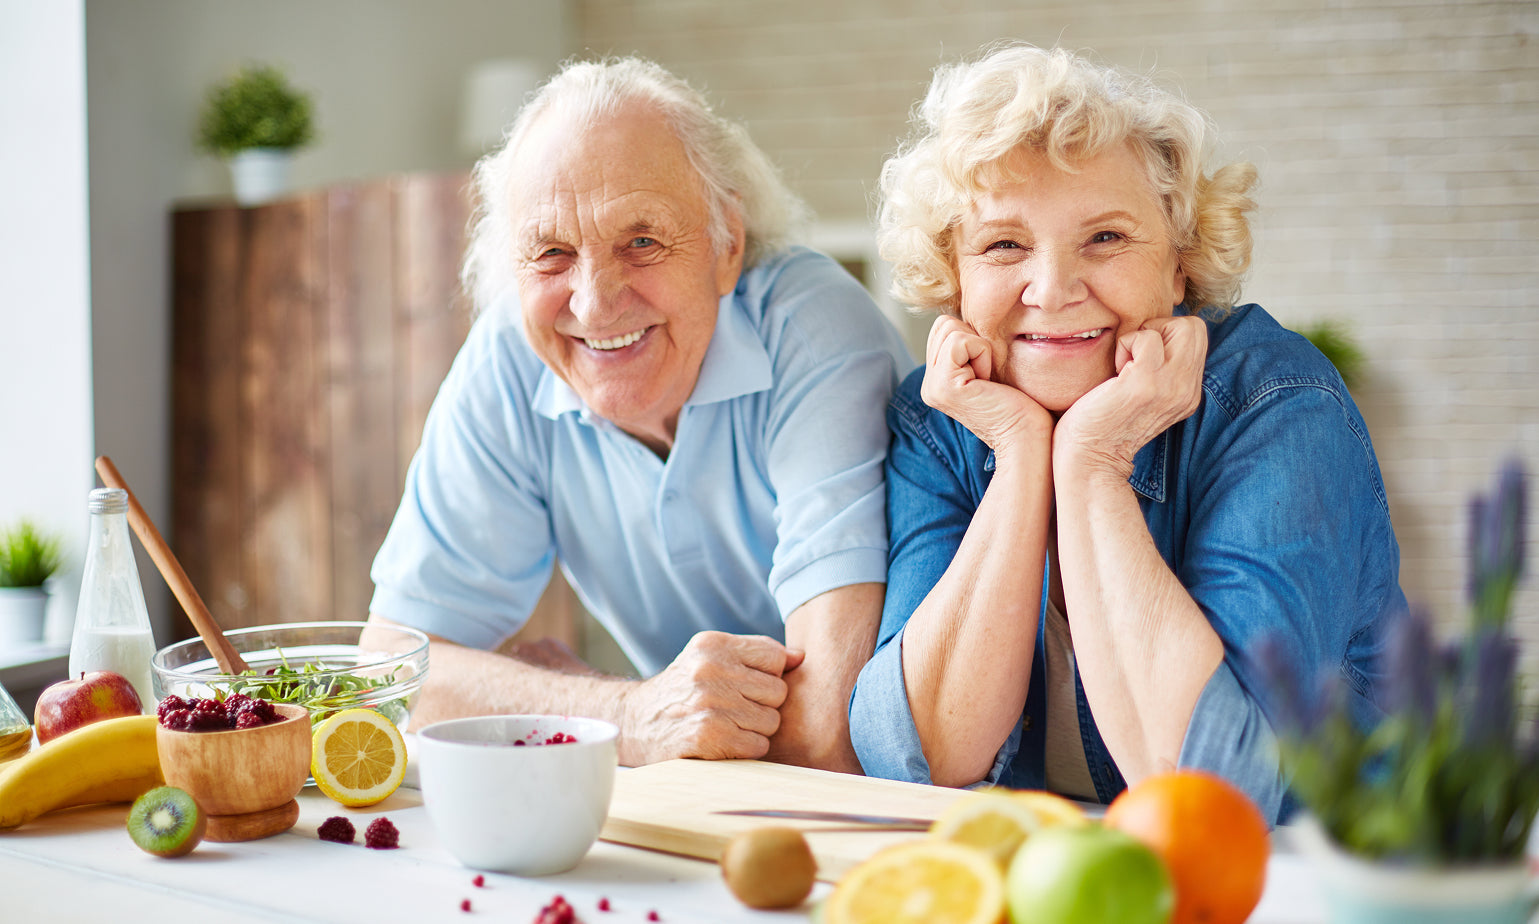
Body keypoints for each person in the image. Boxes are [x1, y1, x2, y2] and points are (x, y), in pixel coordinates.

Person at [848, 43, 1406, 822]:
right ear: (954, 275)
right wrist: (1019, 455)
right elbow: (914, 753)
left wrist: (1092, 459)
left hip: (1327, 880)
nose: (1052, 290)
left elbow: (1218, 785)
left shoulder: (1277, 401)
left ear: (1178, 265)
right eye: (1003, 244)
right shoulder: (943, 416)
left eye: (1104, 238)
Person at [368, 56, 913, 773]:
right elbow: (392, 675)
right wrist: (628, 714)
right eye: (552, 253)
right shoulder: (511, 351)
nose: (593, 304)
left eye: (642, 242)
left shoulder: (811, 328)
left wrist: (578, 696)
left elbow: (827, 728)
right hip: (700, 807)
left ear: (726, 245)